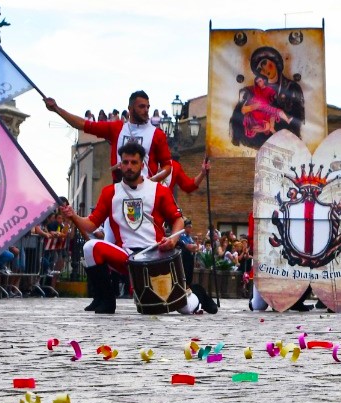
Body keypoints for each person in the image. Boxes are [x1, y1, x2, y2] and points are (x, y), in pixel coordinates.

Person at [55, 140, 214, 316]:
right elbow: (92, 224)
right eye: (125, 162)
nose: (129, 166)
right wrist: (73, 216)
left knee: (184, 308)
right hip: (126, 257)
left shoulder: (159, 190)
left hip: (155, 256)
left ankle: (197, 294)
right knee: (90, 247)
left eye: (134, 162)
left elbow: (178, 220)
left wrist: (172, 239)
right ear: (120, 165)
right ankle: (106, 300)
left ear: (142, 164)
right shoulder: (109, 192)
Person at [43, 91, 209, 196]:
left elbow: (167, 166)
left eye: (148, 107)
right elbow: (83, 125)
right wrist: (57, 109)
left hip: (145, 193)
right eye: (141, 106)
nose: (146, 110)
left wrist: (151, 182)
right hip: (119, 189)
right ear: (130, 108)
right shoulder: (116, 128)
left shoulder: (157, 134)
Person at [229, 46, 305, 147]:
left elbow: (298, 119)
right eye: (261, 69)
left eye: (268, 64)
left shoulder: (292, 88)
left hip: (285, 141)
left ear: (276, 63)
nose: (265, 70)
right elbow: (239, 116)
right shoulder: (252, 91)